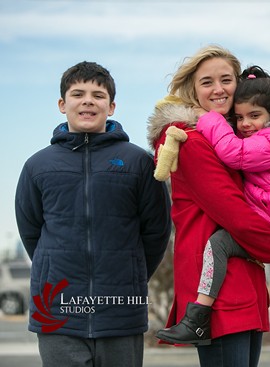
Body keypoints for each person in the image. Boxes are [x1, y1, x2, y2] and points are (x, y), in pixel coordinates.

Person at [146, 45, 270, 366]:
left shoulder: (239, 137)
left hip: (244, 278)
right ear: (193, 89)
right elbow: (234, 212)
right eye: (207, 82)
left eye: (226, 79)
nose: (218, 89)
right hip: (218, 291)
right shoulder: (189, 140)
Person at [14, 61, 172, 367]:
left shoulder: (138, 162)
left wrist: (130, 273)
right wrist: (56, 267)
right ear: (62, 104)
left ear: (111, 107)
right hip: (56, 311)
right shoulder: (37, 166)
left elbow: (156, 232)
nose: (88, 100)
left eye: (98, 95)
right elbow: (31, 232)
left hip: (121, 310)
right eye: (78, 93)